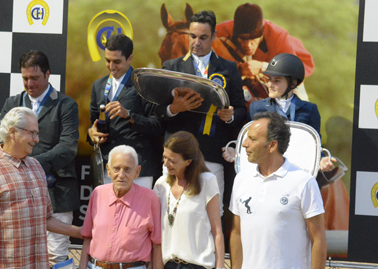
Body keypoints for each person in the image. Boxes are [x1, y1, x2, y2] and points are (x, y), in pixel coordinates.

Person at [222, 52, 349, 230]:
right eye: (269, 80)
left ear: (293, 83)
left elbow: (315, 144)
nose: (270, 85)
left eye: (277, 81)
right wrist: (237, 153)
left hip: (295, 176)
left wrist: (321, 160)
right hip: (266, 175)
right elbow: (251, 139)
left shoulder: (309, 110)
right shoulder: (257, 108)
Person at [0, 50, 80, 266]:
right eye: (25, 78)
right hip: (15, 193)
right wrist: (9, 165)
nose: (29, 83)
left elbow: (67, 148)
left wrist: (29, 165)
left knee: (56, 255)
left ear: (47, 75)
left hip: (57, 192)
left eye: (35, 78)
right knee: (20, 252)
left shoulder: (66, 105)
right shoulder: (12, 103)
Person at [0, 107, 82, 268]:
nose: (36, 139)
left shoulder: (36, 166)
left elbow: (46, 218)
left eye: (37, 133)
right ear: (13, 132)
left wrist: (78, 232)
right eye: (32, 133)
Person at [155, 10, 247, 212]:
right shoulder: (171, 66)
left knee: (212, 216)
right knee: (171, 213)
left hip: (212, 155)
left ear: (214, 36)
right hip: (177, 156)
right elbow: (158, 111)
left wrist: (231, 116)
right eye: (193, 36)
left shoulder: (229, 68)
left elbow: (241, 109)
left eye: (203, 37)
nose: (197, 42)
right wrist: (174, 109)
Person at [229, 111, 327, 269]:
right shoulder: (241, 179)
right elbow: (236, 233)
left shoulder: (304, 182)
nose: (244, 144)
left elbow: (318, 239)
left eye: (252, 139)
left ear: (272, 145)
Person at [88, 34, 164, 188]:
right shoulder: (98, 86)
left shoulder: (144, 85)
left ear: (130, 59)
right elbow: (93, 125)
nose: (111, 67)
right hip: (108, 168)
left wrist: (129, 115)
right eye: (107, 61)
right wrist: (92, 134)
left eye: (117, 62)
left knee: (138, 213)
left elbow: (157, 127)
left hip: (138, 169)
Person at [213, 3, 314, 105]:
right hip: (246, 82)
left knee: (298, 102)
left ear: (261, 34)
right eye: (243, 39)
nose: (248, 45)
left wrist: (263, 67)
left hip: (286, 69)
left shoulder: (278, 36)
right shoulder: (223, 30)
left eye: (253, 39)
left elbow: (295, 75)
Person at [79, 145, 162, 269]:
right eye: (116, 168)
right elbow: (87, 237)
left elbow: (157, 245)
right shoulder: (97, 194)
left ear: (137, 172)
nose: (121, 175)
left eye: (127, 169)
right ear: (108, 170)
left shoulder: (150, 199)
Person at [153, 131, 225, 269]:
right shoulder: (160, 185)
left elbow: (217, 232)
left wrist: (220, 266)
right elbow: (157, 237)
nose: (166, 164)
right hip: (170, 265)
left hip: (198, 265)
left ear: (188, 162)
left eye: (172, 160)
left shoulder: (207, 181)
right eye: (165, 157)